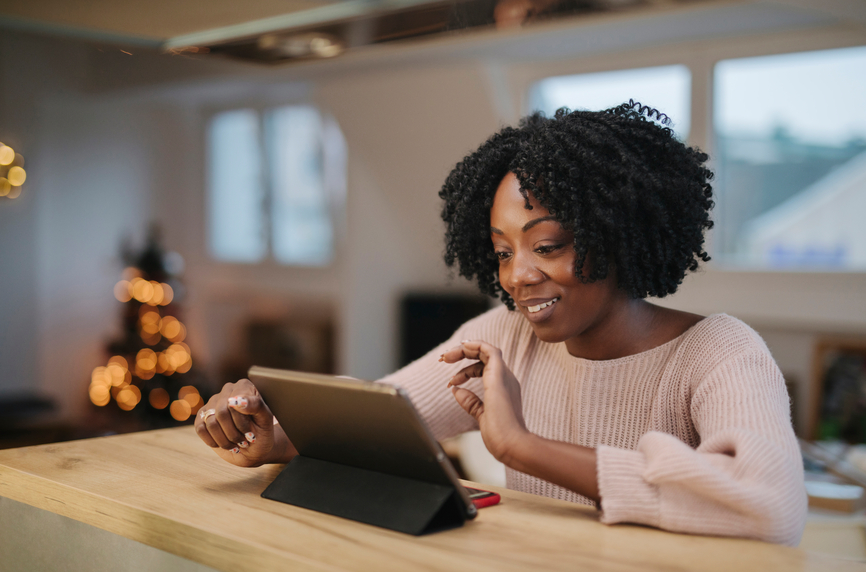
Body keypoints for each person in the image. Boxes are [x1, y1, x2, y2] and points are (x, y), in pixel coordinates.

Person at [195, 100, 807, 546]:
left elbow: (769, 504)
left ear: (618, 237)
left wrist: (524, 448)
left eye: (547, 246)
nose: (518, 277)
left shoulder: (720, 351)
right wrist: (275, 437)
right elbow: (384, 417)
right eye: (504, 251)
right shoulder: (504, 334)